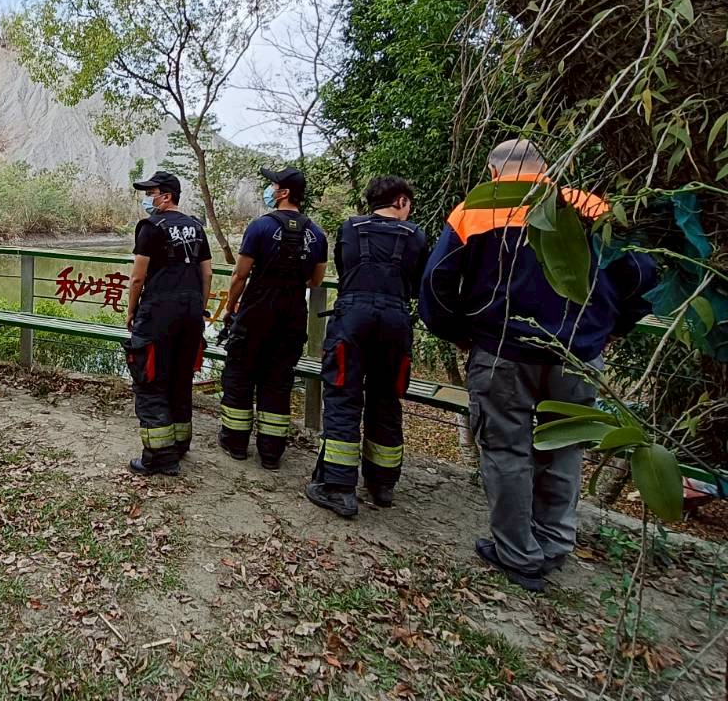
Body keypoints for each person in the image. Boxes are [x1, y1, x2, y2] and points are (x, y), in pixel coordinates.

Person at [420, 139, 657, 591]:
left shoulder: (476, 210)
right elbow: (644, 273)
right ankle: (553, 543)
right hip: (579, 356)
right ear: (547, 169)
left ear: (494, 174)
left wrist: (462, 334)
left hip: (503, 352)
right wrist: (612, 327)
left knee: (507, 450)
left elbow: (437, 282)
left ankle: (516, 553)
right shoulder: (590, 207)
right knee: (566, 447)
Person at [305, 176, 427, 517]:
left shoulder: (350, 229)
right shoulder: (416, 235)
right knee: (386, 399)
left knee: (343, 397)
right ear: (401, 201)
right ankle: (382, 484)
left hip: (352, 318)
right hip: (395, 321)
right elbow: (418, 284)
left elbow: (345, 272)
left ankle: (339, 487)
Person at [217, 166, 327, 470]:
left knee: (240, 375)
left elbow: (240, 274)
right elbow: (317, 280)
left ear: (284, 192)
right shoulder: (317, 234)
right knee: (278, 382)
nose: (269, 190)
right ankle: (271, 451)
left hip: (255, 314)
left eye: (273, 185)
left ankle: (236, 443)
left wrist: (230, 308)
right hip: (291, 318)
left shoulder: (260, 227)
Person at [125, 171, 213, 476]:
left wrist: (131, 310)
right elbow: (208, 275)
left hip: (159, 311)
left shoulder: (151, 227)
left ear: (167, 196)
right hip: (191, 312)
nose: (149, 199)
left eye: (153, 193)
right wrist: (198, 311)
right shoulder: (197, 227)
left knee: (150, 378)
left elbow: (138, 276)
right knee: (180, 376)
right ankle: (179, 443)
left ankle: (160, 457)